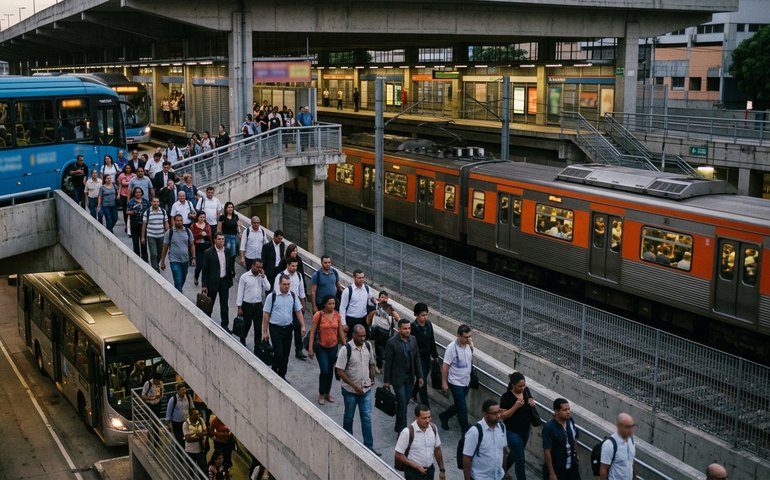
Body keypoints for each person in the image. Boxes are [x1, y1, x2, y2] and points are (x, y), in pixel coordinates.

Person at [335, 323, 377, 453]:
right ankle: (348, 445)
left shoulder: (368, 346)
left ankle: (368, 447)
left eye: (364, 336)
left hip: (366, 390)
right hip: (350, 391)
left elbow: (371, 363)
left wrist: (372, 377)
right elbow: (340, 371)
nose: (362, 338)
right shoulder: (345, 349)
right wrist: (354, 386)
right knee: (349, 417)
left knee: (366, 417)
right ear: (353, 335)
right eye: (360, 336)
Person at [384, 319, 424, 434]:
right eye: (405, 329)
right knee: (402, 403)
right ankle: (403, 432)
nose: (407, 331)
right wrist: (387, 380)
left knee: (405, 403)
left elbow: (417, 358)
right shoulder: (392, 342)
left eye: (409, 328)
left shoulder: (413, 340)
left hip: (409, 378)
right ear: (399, 329)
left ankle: (398, 425)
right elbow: (388, 363)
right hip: (397, 379)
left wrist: (420, 376)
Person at [262, 274, 305, 379]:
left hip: (288, 329)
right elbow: (266, 314)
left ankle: (282, 375)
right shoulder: (272, 297)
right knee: (278, 352)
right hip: (275, 328)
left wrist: (303, 325)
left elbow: (298, 311)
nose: (286, 286)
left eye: (288, 284)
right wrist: (265, 331)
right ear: (279, 284)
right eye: (284, 284)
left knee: (286, 354)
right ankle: (274, 371)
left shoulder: (293, 296)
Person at [308, 295, 345, 404]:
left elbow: (341, 332)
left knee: (330, 372)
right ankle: (321, 393)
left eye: (333, 304)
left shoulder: (337, 315)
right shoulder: (318, 315)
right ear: (325, 304)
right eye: (329, 304)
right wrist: (310, 348)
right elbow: (313, 332)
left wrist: (345, 346)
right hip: (321, 347)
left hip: (333, 348)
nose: (332, 306)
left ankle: (328, 392)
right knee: (324, 371)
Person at [500, 372, 537, 480]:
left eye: (524, 385)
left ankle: (501, 470)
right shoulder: (506, 397)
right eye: (520, 386)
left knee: (515, 454)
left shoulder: (526, 391)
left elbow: (530, 401)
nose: (522, 388)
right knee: (520, 459)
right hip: (512, 432)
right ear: (513, 385)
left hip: (525, 430)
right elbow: (503, 415)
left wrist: (532, 403)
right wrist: (515, 406)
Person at [395, 404, 446, 480]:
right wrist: (416, 466)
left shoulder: (433, 428)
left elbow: (437, 449)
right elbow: (398, 454)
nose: (428, 420)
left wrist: (442, 470)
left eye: (429, 417)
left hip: (429, 471)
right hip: (413, 473)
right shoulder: (407, 432)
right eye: (424, 418)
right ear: (416, 418)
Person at [439, 324, 473, 434]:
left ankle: (444, 415)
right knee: (462, 407)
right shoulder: (451, 348)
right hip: (455, 382)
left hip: (466, 381)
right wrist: (444, 383)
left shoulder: (469, 345)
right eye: (466, 337)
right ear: (458, 335)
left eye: (469, 336)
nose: (468, 339)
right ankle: (465, 430)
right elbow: (445, 366)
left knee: (459, 404)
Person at [462, 399, 507, 480]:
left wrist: (504, 472)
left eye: (499, 412)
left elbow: (503, 451)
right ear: (485, 414)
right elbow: (466, 458)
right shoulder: (475, 431)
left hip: (499, 477)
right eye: (494, 413)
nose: (498, 415)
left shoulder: (502, 427)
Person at [277, 245, 308, 359]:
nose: (295, 268)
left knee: (298, 327)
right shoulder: (281, 276)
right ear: (288, 265)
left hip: (296, 305)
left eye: (296, 266)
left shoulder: (298, 276)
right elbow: (276, 292)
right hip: (284, 305)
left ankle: (298, 350)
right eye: (293, 266)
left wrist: (303, 304)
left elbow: (301, 291)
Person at [201, 232, 235, 330]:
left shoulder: (227, 251)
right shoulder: (208, 252)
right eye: (219, 239)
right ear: (215, 240)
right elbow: (205, 270)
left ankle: (225, 325)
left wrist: (230, 277)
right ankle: (207, 322)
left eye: (222, 239)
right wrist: (204, 284)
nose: (221, 241)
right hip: (212, 282)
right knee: (209, 303)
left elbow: (230, 265)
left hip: (224, 281)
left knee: (224, 304)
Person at [236, 259, 271, 348]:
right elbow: (240, 292)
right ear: (252, 266)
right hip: (247, 305)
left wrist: (263, 277)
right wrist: (239, 307)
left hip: (258, 305)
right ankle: (242, 339)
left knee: (258, 328)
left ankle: (257, 347)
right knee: (247, 324)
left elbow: (268, 288)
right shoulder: (245, 277)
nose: (259, 269)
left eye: (261, 267)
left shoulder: (262, 277)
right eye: (257, 267)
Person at [543, 398, 580, 480]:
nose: (568, 412)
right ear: (556, 411)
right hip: (558, 468)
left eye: (569, 409)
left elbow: (574, 439)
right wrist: (552, 473)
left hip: (572, 467)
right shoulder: (549, 428)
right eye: (565, 410)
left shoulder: (570, 421)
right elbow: (547, 451)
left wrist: (576, 455)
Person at [411, 302, 438, 407]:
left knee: (421, 377)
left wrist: (434, 354)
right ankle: (425, 405)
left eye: (426, 315)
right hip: (418, 358)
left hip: (427, 357)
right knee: (422, 380)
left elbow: (432, 339)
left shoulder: (428, 324)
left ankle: (413, 394)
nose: (425, 317)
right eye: (422, 315)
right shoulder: (413, 327)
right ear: (417, 315)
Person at [159, 214, 196, 292]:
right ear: (174, 221)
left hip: (185, 260)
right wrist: (162, 261)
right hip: (174, 260)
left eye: (181, 220)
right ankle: (180, 299)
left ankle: (177, 292)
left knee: (182, 280)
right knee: (178, 280)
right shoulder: (169, 232)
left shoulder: (188, 231)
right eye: (177, 220)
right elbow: (165, 247)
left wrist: (193, 258)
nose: (179, 222)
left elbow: (192, 245)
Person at [339, 269, 376, 340]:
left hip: (363, 319)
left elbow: (371, 297)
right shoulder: (348, 291)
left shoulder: (366, 288)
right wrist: (343, 323)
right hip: (351, 320)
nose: (361, 280)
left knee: (365, 338)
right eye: (359, 278)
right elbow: (342, 308)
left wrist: (377, 303)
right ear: (354, 278)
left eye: (363, 277)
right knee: (352, 340)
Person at [368, 291, 400, 371]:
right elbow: (372, 299)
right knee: (379, 349)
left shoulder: (389, 308)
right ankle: (379, 365)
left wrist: (398, 319)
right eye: (382, 297)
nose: (384, 299)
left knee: (388, 349)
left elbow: (396, 316)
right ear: (379, 298)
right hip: (377, 333)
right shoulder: (376, 306)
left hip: (387, 334)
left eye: (385, 298)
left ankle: (386, 365)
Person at [599, 413, 636, 480]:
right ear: (619, 426)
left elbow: (631, 461)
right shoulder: (609, 444)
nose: (631, 429)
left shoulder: (631, 440)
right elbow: (603, 469)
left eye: (632, 426)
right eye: (627, 427)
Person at [142, 196, 170, 273]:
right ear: (151, 202)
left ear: (159, 203)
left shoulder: (163, 211)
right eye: (154, 202)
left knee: (161, 252)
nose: (155, 203)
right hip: (151, 235)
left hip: (161, 235)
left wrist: (168, 234)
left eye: (157, 202)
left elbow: (166, 223)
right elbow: (144, 225)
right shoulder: (147, 212)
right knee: (153, 253)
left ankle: (156, 264)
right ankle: (155, 269)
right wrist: (142, 237)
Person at [126, 187, 149, 261]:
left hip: (144, 224)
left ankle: (145, 259)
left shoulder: (145, 201)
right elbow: (127, 212)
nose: (138, 193)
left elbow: (148, 211)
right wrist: (132, 212)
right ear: (134, 193)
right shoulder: (131, 202)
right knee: (135, 241)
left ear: (142, 193)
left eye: (139, 192)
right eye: (136, 192)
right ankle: (137, 259)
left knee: (144, 241)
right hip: (134, 223)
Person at [218, 202, 241, 274]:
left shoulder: (236, 216)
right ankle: (226, 269)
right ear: (226, 208)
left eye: (231, 207)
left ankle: (232, 269)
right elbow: (219, 228)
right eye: (229, 207)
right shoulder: (222, 217)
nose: (230, 209)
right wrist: (220, 238)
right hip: (226, 237)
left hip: (234, 237)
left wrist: (239, 232)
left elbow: (238, 226)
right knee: (226, 254)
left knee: (233, 255)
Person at [191, 211, 212, 285]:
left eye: (203, 217)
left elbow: (210, 237)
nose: (202, 218)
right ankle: (196, 276)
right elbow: (192, 237)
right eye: (201, 217)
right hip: (197, 247)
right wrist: (200, 234)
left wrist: (205, 235)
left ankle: (204, 282)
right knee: (199, 265)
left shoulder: (207, 225)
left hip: (206, 246)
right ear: (198, 217)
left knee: (205, 266)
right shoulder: (193, 225)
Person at [117, 164, 135, 231]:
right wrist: (118, 194)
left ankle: (131, 225)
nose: (128, 169)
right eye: (127, 168)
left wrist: (125, 183)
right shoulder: (121, 175)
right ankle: (126, 225)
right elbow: (120, 185)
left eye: (129, 168)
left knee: (132, 211)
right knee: (125, 211)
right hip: (123, 195)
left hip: (132, 195)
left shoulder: (134, 175)